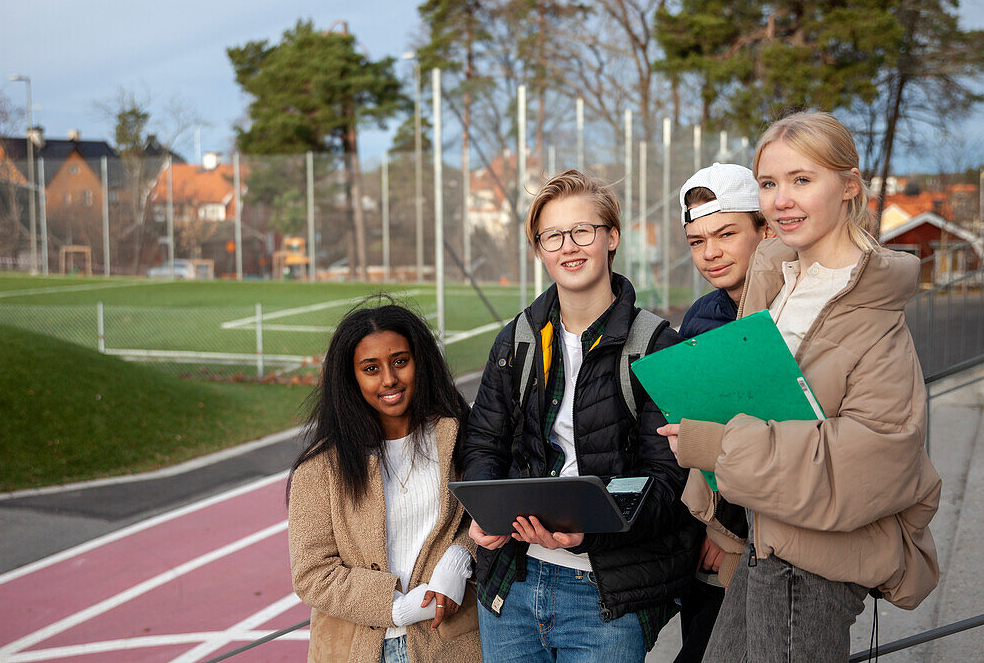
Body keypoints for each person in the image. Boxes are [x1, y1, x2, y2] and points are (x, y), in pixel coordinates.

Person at [658, 112, 941, 662]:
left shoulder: (873, 309)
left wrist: (720, 446)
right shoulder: (779, 284)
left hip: (814, 567)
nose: (782, 199)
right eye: (769, 184)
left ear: (850, 186)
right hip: (764, 547)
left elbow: (872, 461)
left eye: (802, 180)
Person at [461, 170, 701, 661]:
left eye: (583, 231)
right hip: (512, 586)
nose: (569, 246)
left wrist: (589, 531)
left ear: (611, 237)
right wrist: (485, 511)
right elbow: (483, 443)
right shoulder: (516, 342)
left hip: (604, 598)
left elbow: (670, 482)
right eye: (552, 235)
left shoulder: (657, 346)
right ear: (540, 249)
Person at [287, 302, 481, 663]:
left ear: (420, 361)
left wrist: (459, 558)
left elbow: (487, 515)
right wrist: (395, 609)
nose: (389, 379)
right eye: (371, 368)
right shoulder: (320, 466)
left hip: (453, 644)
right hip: (355, 650)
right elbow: (312, 573)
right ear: (352, 378)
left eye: (400, 361)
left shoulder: (458, 436)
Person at [674, 162, 770, 663]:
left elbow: (791, 431)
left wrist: (729, 531)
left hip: (764, 538)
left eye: (726, 233)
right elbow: (700, 428)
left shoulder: (794, 309)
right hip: (708, 529)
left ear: (765, 228)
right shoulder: (701, 316)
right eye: (696, 241)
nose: (710, 253)